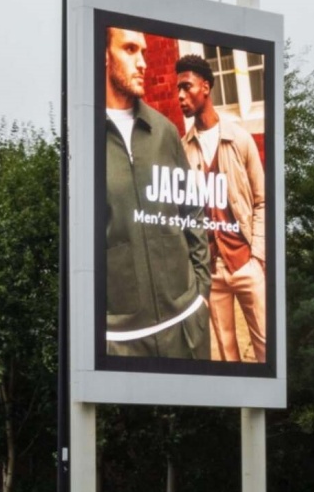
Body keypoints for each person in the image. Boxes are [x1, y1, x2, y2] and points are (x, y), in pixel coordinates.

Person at [100, 27, 210, 360]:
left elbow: (192, 212)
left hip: (186, 325)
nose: (143, 63)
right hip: (121, 341)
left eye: (144, 52)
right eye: (130, 49)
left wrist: (201, 292)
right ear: (103, 55)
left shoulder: (164, 131)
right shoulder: (82, 139)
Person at [175, 54, 268, 363]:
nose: (180, 96)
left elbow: (262, 200)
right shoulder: (182, 149)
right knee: (228, 357)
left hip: (246, 264)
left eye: (187, 87)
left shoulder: (239, 139)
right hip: (211, 271)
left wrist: (258, 257)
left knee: (266, 350)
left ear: (205, 87)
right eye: (177, 89)